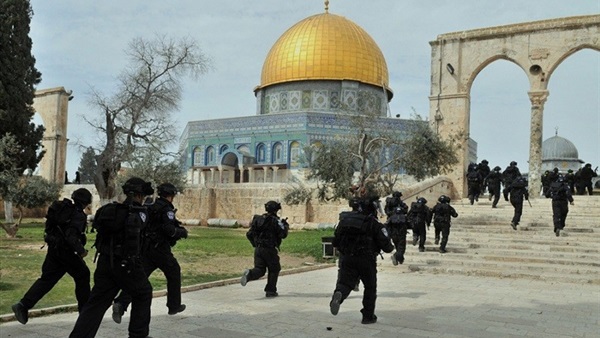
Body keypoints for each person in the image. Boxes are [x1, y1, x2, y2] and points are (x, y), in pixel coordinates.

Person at [69, 177, 154, 338]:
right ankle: (138, 335)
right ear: (138, 195)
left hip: (105, 262)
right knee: (143, 292)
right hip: (127, 264)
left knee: (96, 303)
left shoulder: (109, 211)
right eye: (142, 195)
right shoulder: (138, 212)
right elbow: (142, 226)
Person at [12, 188, 93, 325]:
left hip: (54, 250)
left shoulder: (62, 210)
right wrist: (81, 251)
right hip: (67, 253)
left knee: (47, 279)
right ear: (86, 202)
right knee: (83, 275)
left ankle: (23, 305)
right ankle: (85, 313)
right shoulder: (78, 215)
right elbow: (71, 237)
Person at [112, 183, 188, 324]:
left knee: (139, 279)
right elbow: (169, 229)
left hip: (146, 249)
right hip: (161, 249)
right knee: (174, 271)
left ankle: (121, 304)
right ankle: (174, 305)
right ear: (170, 195)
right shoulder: (166, 210)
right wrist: (182, 232)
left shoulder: (150, 206)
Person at [329, 196, 393, 324]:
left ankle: (339, 294)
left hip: (347, 258)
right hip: (366, 259)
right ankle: (368, 316)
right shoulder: (374, 224)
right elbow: (387, 247)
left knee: (346, 283)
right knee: (370, 287)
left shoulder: (345, 221)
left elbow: (335, 241)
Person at [240, 200, 289, 297]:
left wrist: (256, 244)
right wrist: (285, 226)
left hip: (258, 249)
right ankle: (271, 291)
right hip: (269, 249)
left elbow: (249, 234)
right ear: (276, 210)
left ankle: (249, 274)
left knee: (260, 269)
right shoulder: (275, 221)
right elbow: (283, 234)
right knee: (274, 269)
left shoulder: (258, 219)